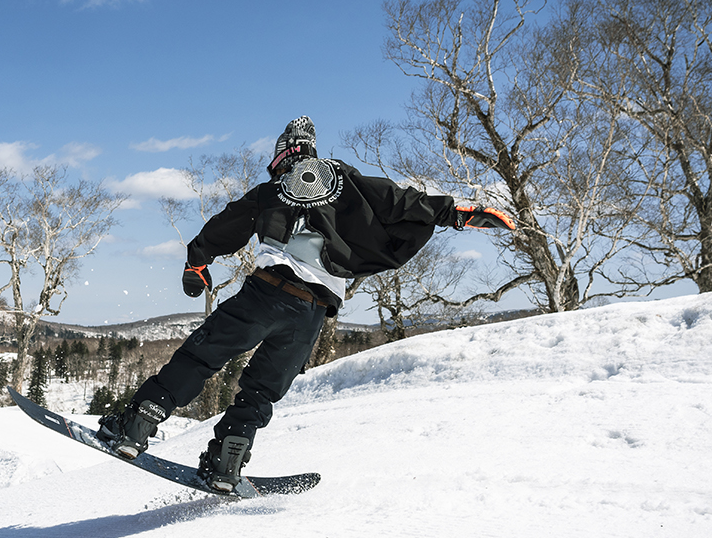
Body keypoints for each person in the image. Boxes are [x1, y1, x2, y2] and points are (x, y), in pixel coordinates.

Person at [97, 116, 515, 495]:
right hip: (311, 311)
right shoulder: (346, 182)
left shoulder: (272, 191)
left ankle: (135, 426)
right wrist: (457, 213)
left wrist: (197, 263)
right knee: (261, 391)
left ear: (281, 154)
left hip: (266, 292)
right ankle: (226, 464)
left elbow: (225, 225)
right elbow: (397, 200)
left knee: (201, 358)